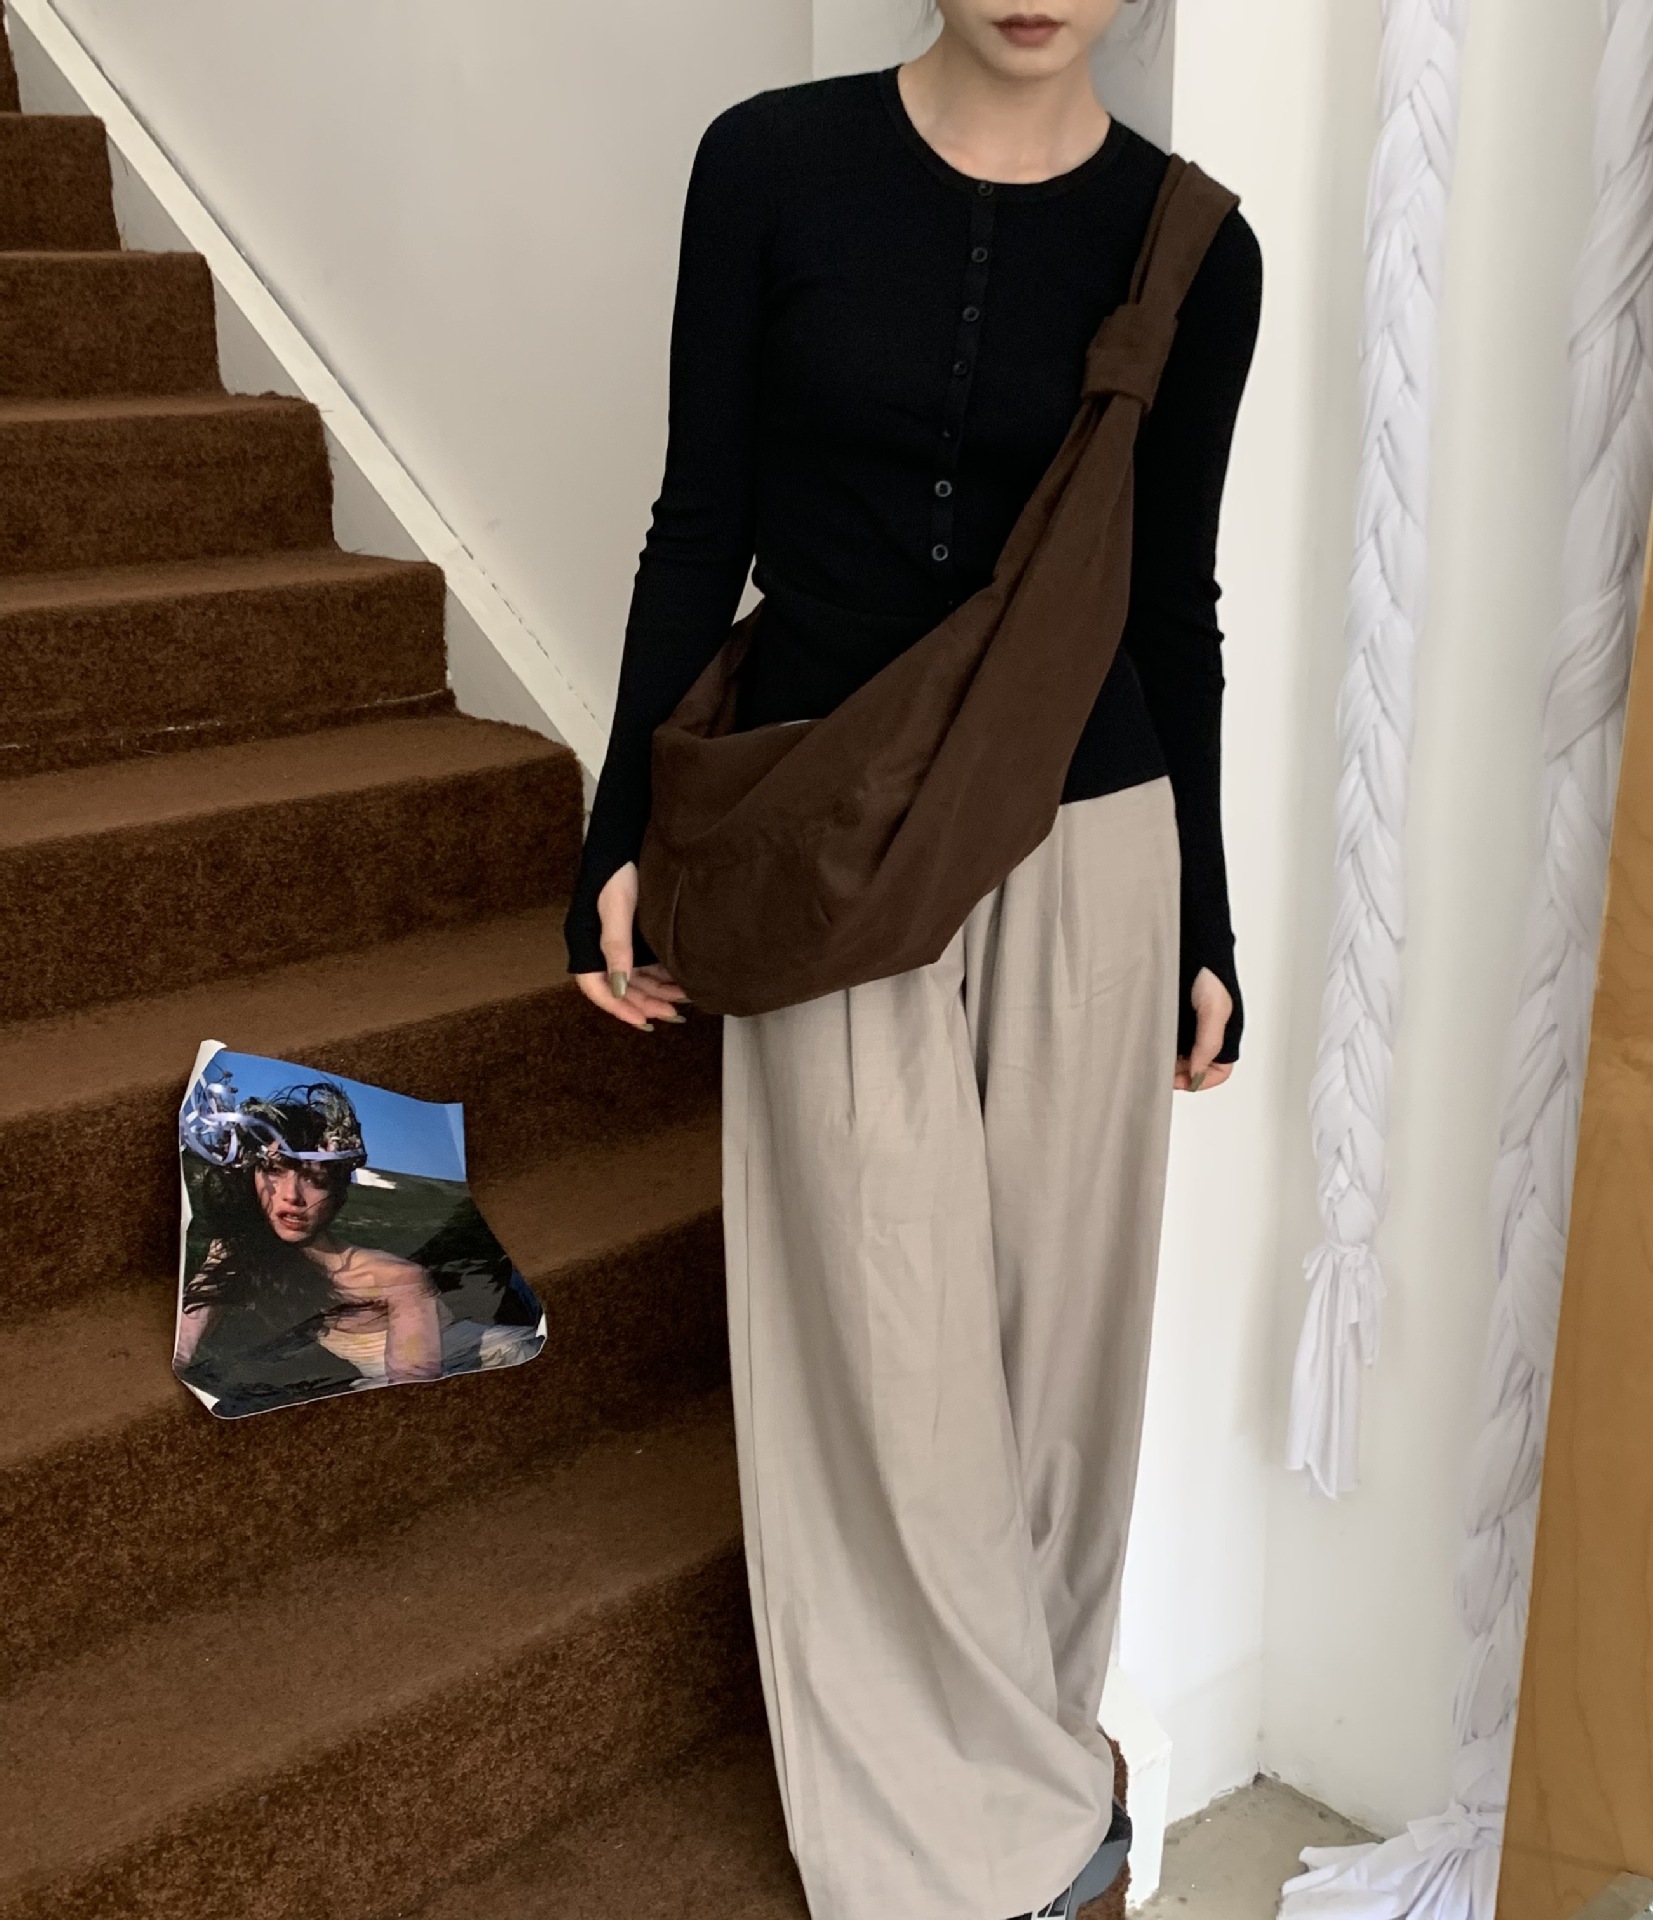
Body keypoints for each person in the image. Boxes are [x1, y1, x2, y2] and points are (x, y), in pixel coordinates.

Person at [566, 4, 1259, 1916]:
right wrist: (620, 834)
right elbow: (698, 522)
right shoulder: (769, 169)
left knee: (1053, 1345)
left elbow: (1174, 602)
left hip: (1094, 837)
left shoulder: (1196, 248)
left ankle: (1028, 1775)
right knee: (875, 1351)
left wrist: (1205, 918)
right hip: (829, 845)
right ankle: (964, 1849)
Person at [175, 1080, 446, 1408]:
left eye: (315, 1178)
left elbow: (414, 1390)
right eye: (274, 1170)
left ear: (338, 1193)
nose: (291, 1196)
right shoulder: (237, 1251)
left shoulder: (394, 1278)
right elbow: (183, 1341)